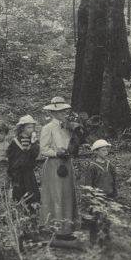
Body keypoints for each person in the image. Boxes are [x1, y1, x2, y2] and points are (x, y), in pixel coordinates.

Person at [40, 97, 79, 238]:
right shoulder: (48, 128)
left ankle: (67, 229)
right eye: (60, 111)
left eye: (64, 111)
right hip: (54, 165)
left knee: (68, 194)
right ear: (53, 113)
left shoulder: (69, 127)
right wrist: (57, 153)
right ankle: (54, 229)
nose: (63, 113)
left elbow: (73, 145)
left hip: (67, 163)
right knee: (56, 195)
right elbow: (43, 149)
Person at [7, 115, 40, 205]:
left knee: (31, 191)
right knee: (19, 192)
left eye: (33, 127)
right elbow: (11, 157)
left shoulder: (33, 141)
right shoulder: (16, 142)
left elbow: (35, 154)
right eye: (28, 127)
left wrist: (33, 144)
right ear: (22, 128)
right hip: (18, 172)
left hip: (28, 171)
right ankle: (19, 209)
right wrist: (12, 170)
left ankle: (32, 209)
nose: (31, 129)